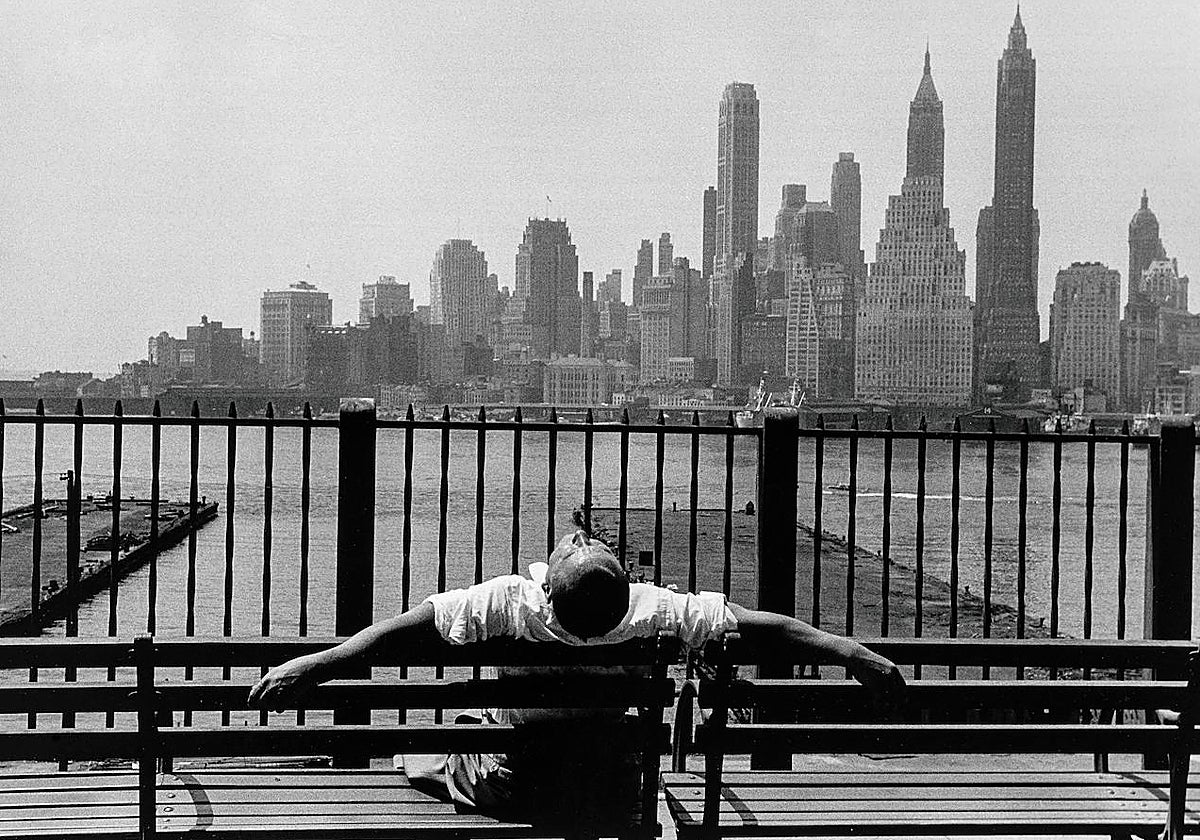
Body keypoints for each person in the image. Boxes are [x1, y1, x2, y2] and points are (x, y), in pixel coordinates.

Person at [248, 523, 905, 822]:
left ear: (550, 591)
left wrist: (312, 664)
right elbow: (767, 625)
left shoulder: (510, 601)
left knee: (440, 745)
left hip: (519, 782)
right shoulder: (652, 611)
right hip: (610, 785)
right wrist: (853, 652)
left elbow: (396, 633)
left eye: (578, 542)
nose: (577, 536)